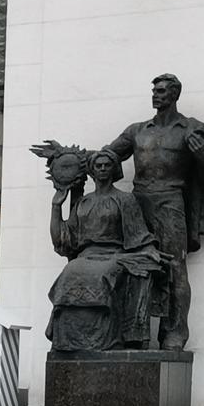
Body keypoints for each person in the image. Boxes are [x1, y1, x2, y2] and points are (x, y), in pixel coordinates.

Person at [106, 73, 204, 351]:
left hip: (170, 201)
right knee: (130, 265)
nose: (156, 95)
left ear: (175, 95)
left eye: (162, 91)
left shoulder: (190, 130)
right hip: (137, 203)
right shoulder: (137, 130)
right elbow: (107, 157)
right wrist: (68, 158)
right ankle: (130, 331)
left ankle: (175, 333)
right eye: (154, 90)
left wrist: (202, 155)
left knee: (175, 267)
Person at [46, 148, 166, 352]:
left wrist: (150, 250)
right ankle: (69, 340)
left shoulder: (125, 200)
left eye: (106, 165)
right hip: (85, 257)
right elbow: (63, 240)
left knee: (102, 276)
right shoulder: (84, 202)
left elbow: (139, 233)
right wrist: (56, 206)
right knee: (68, 273)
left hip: (114, 255)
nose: (102, 169)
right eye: (98, 166)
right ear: (92, 171)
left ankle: (105, 339)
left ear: (114, 169)